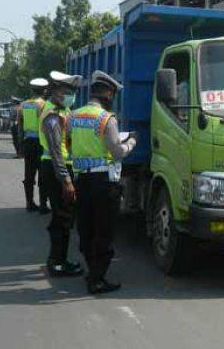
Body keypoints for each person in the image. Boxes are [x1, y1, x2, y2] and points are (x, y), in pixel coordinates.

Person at [68, 71, 136, 294]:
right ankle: (97, 280)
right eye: (112, 94)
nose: (112, 97)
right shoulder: (106, 118)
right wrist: (132, 142)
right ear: (107, 93)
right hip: (104, 182)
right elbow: (116, 152)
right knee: (104, 231)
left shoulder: (74, 115)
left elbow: (68, 143)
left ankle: (91, 270)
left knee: (86, 228)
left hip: (81, 179)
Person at [39, 71, 84, 277]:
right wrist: (66, 180)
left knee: (61, 217)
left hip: (57, 168)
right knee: (63, 218)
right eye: (68, 92)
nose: (71, 96)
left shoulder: (62, 111)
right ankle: (58, 262)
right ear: (56, 92)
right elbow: (56, 151)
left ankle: (56, 259)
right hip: (56, 169)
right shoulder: (52, 116)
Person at [17, 78, 49, 213]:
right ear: (44, 91)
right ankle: (43, 205)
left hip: (28, 143)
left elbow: (19, 127)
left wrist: (20, 146)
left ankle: (29, 203)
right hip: (42, 144)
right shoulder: (44, 105)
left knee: (29, 174)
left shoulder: (23, 105)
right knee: (43, 175)